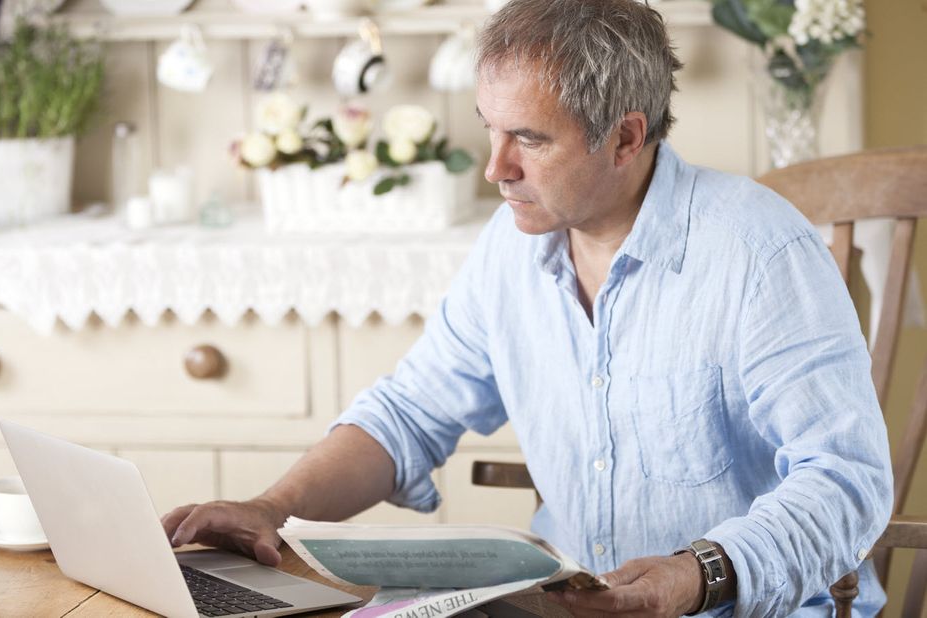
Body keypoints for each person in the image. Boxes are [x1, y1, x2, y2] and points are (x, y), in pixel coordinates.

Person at [164, 0, 894, 614]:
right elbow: (412, 413)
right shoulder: (512, 247)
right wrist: (273, 508)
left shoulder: (760, 254)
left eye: (529, 139)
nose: (495, 168)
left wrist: (695, 575)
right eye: (491, 128)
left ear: (626, 138)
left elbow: (848, 481)